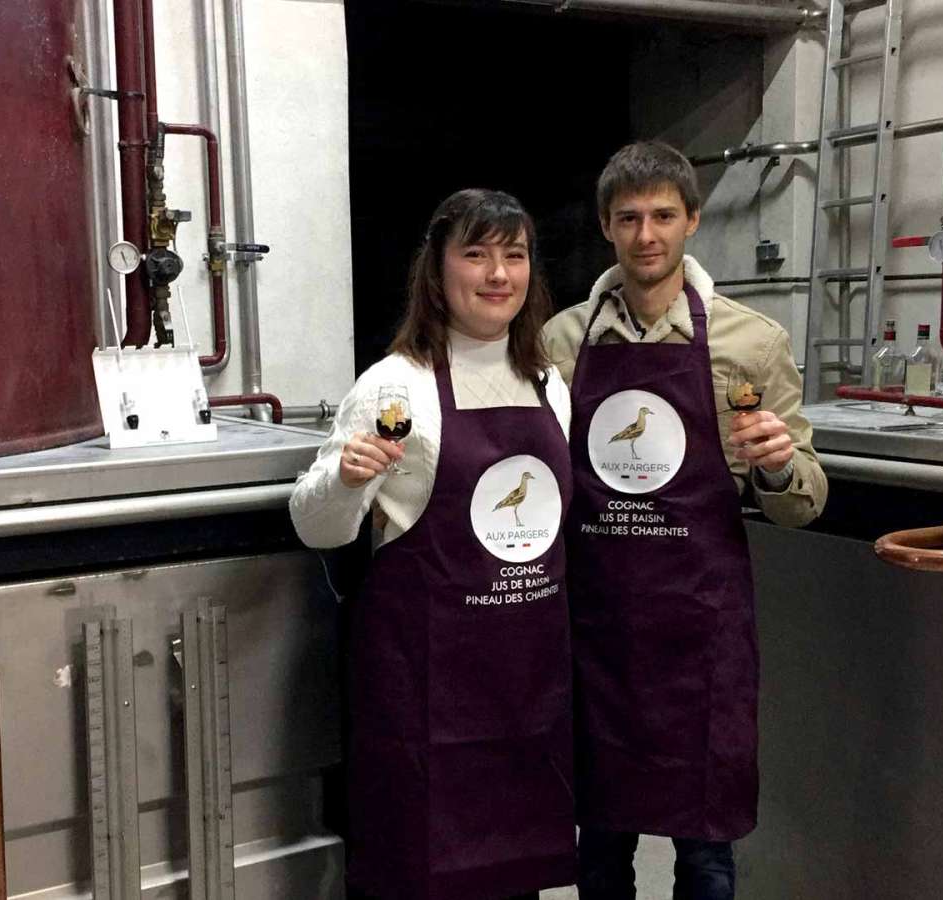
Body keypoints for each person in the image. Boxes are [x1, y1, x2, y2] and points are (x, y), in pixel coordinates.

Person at [542, 141, 828, 900]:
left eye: (663, 216)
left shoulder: (751, 342)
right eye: (629, 218)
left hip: (701, 634)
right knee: (599, 851)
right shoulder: (560, 343)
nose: (647, 235)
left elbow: (804, 501)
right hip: (596, 633)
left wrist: (775, 464)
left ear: (693, 220)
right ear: (606, 226)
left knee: (705, 856)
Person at [291, 188, 576, 899]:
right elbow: (316, 526)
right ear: (438, 270)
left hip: (527, 685)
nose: (498, 274)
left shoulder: (547, 383)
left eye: (515, 255)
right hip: (427, 694)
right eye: (476, 254)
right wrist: (346, 479)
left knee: (515, 880)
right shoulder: (395, 386)